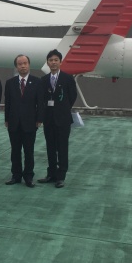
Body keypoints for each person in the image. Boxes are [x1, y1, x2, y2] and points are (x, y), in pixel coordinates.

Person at [39, 49, 78, 188]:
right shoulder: (44, 80)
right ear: (47, 63)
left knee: (62, 147)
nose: (53, 62)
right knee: (50, 147)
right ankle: (51, 174)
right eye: (51, 60)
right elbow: (42, 98)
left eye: (56, 60)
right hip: (48, 119)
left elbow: (72, 96)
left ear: (60, 62)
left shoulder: (68, 79)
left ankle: (61, 176)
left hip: (63, 119)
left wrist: (62, 108)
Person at [4, 54, 44, 187]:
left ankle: (28, 176)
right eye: (20, 64)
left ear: (29, 65)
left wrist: (39, 119)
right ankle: (16, 175)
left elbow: (40, 102)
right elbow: (8, 103)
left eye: (25, 63)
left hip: (30, 122)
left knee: (29, 151)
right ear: (16, 66)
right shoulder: (10, 83)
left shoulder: (37, 82)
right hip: (14, 122)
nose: (23, 66)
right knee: (15, 151)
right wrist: (7, 119)